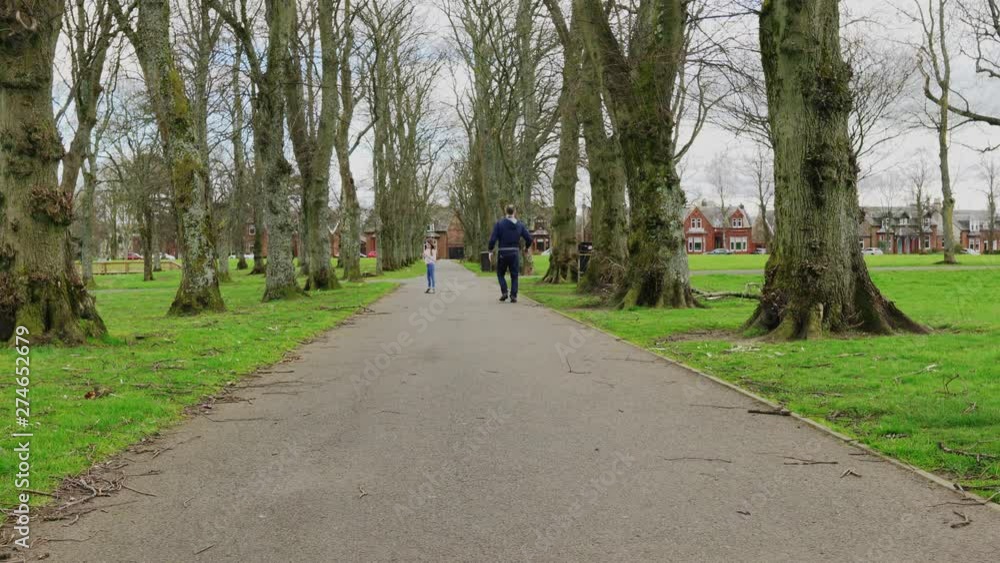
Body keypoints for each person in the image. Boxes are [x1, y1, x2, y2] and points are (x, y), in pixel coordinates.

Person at [488, 204, 532, 303]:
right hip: (514, 253)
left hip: (503, 252)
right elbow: (529, 239)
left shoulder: (499, 224)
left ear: (505, 211)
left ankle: (504, 292)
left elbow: (492, 239)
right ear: (514, 211)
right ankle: (513, 295)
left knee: (500, 273)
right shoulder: (520, 225)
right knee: (514, 275)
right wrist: (526, 248)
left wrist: (490, 250)